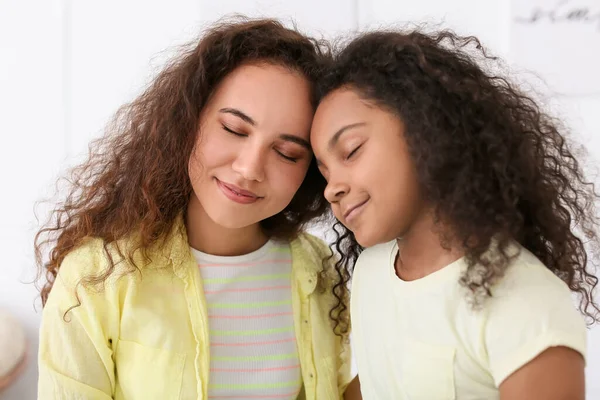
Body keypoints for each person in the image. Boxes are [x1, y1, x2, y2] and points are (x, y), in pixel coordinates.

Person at [36, 18, 357, 400]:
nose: (249, 169)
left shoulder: (318, 270)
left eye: (287, 153)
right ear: (188, 122)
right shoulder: (96, 276)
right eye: (235, 130)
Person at [311, 28, 600, 400]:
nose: (332, 187)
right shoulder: (371, 272)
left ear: (427, 128)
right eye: (324, 172)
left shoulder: (523, 300)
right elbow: (378, 381)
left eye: (350, 151)